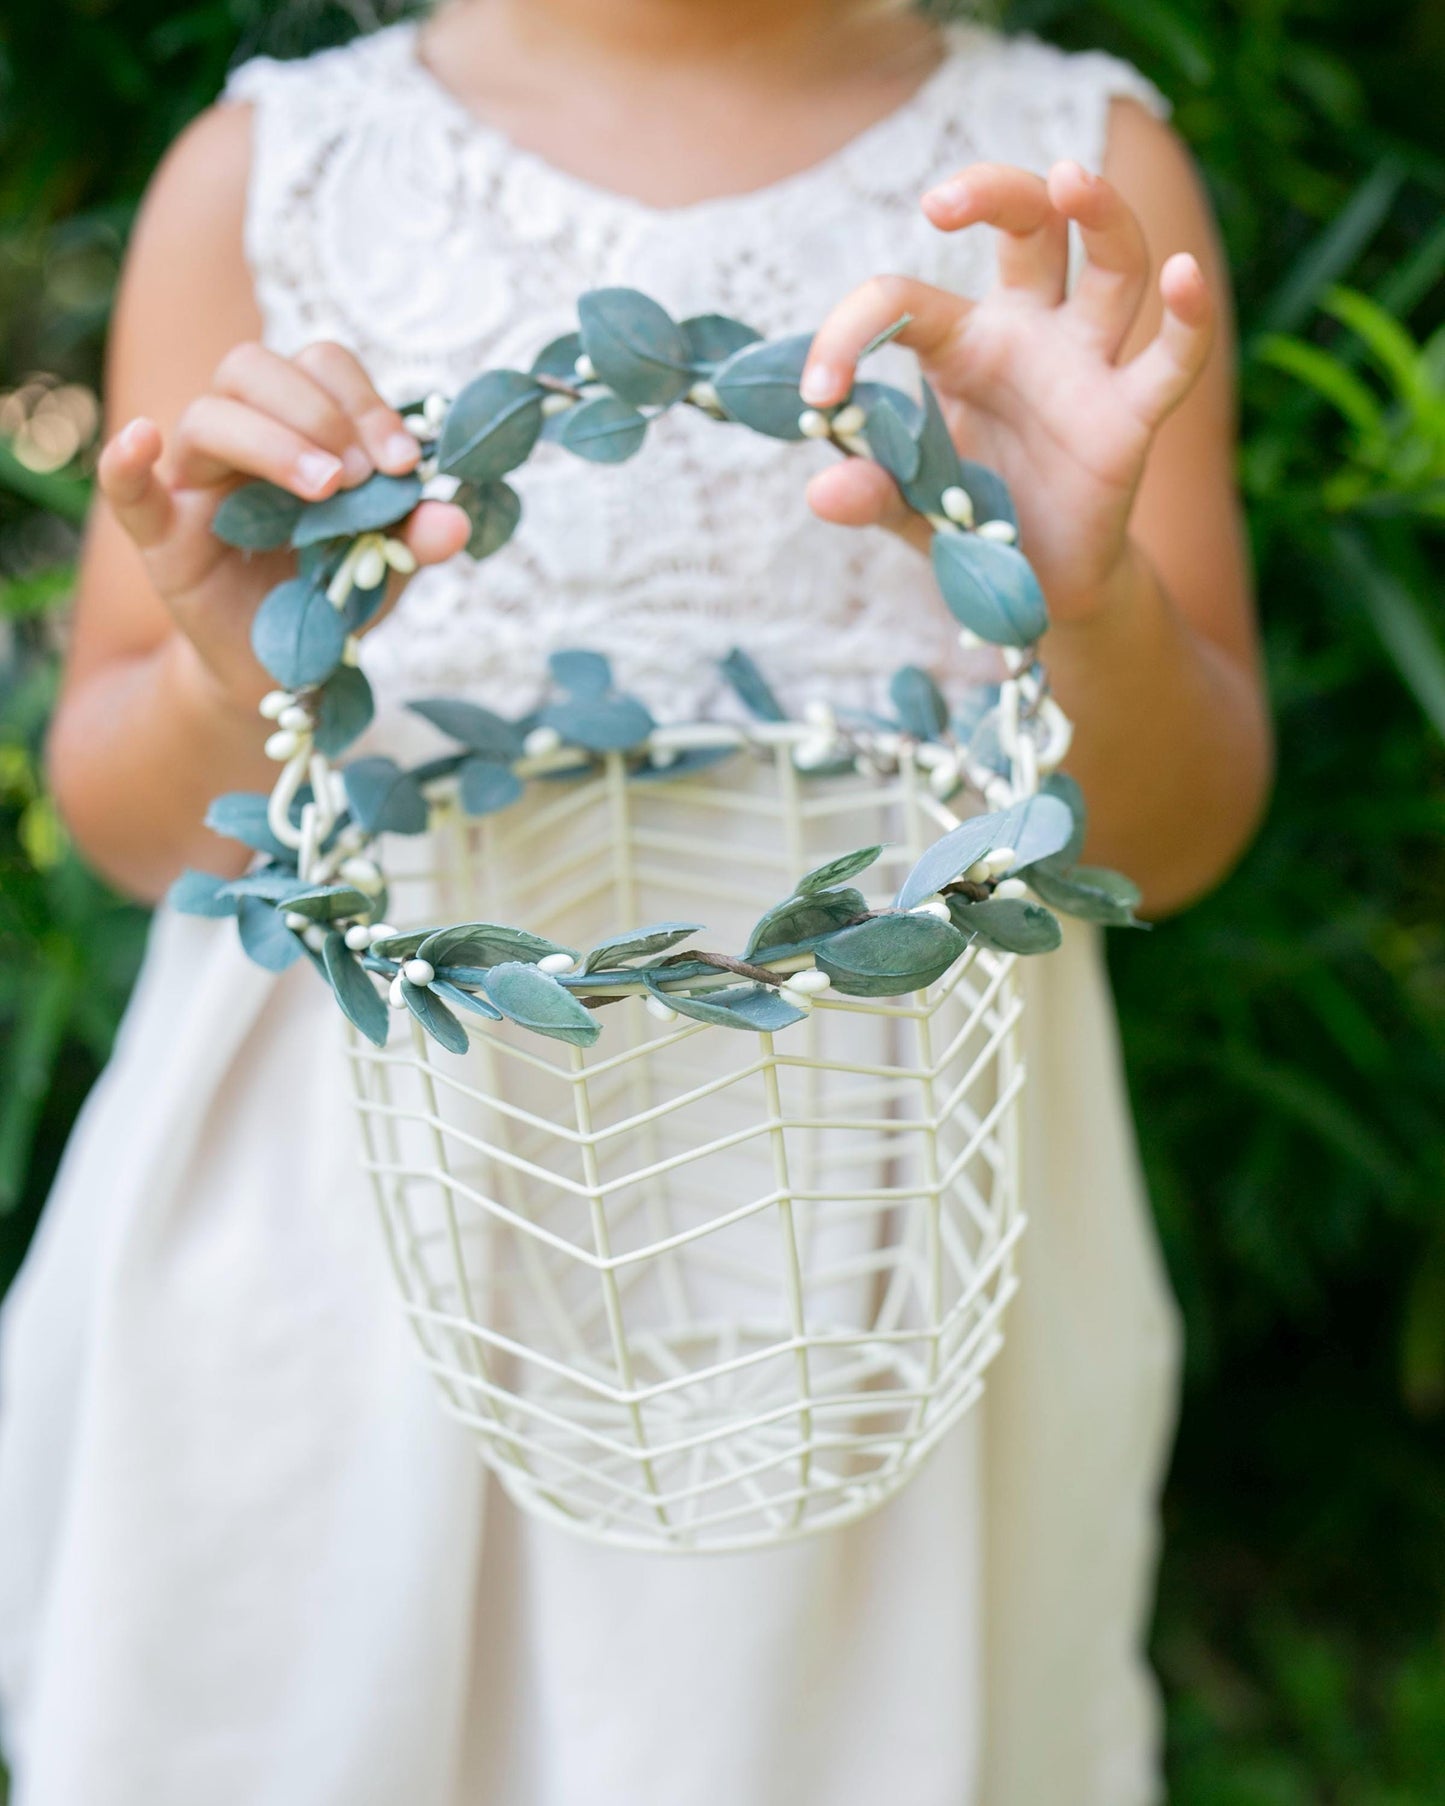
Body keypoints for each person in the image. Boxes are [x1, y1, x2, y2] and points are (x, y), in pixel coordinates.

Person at [0, 2, 1270, 1802]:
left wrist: (1078, 596)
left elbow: (1180, 819)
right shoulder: (269, 176)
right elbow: (125, 811)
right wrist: (237, 671)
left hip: (884, 1248)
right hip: (361, 1216)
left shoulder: (1070, 179)